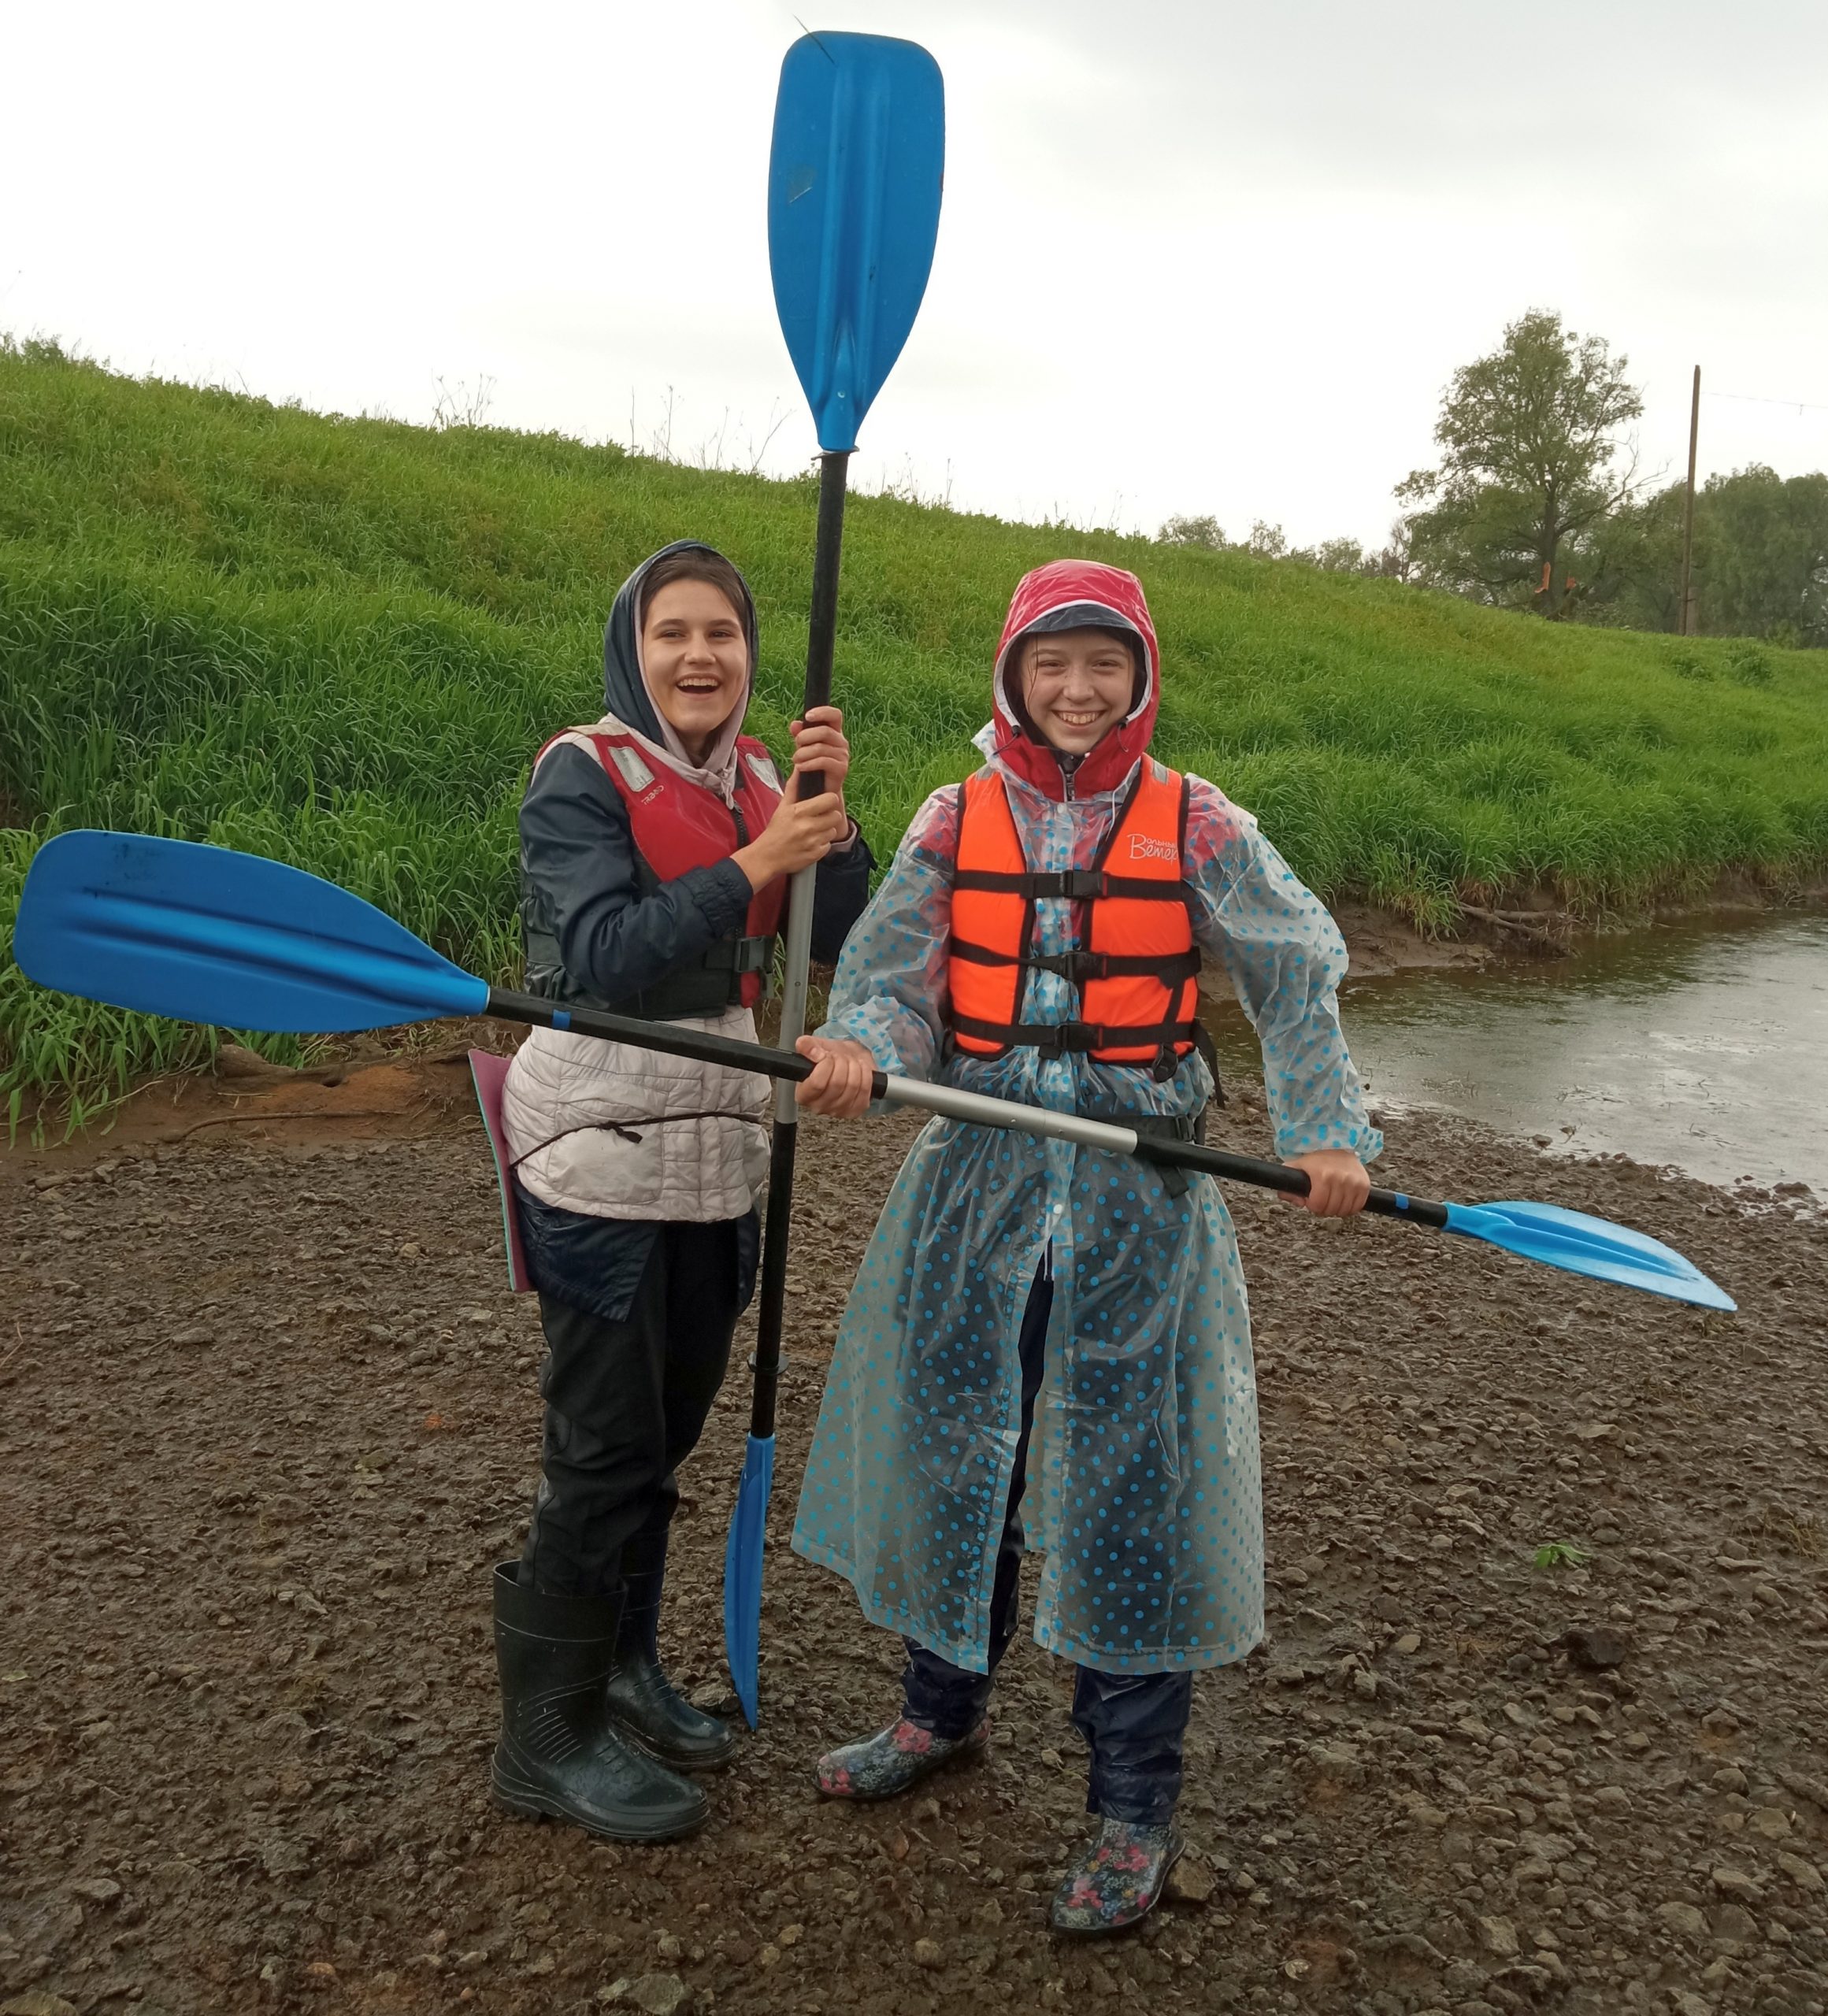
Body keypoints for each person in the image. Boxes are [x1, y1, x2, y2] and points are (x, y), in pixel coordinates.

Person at [789, 558, 1378, 1933]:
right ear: (1011, 671)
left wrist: (1327, 1133)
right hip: (976, 1195)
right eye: (1049, 661)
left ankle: (1131, 1806)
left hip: (1137, 1208)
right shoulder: (951, 816)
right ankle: (939, 1715)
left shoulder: (1199, 821)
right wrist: (856, 1053)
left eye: (1102, 663)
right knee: (955, 1455)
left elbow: (1299, 972)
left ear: (1139, 675)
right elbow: (886, 982)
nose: (1075, 687)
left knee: (1132, 1490)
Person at [492, 540, 873, 1844]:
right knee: (599, 1452)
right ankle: (542, 1738)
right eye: (672, 634)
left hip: (719, 1145)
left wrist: (831, 815)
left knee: (665, 1438)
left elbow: (832, 936)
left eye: (722, 633)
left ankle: (623, 1667)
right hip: (596, 1141)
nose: (700, 656)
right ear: (632, 651)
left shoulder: (770, 778)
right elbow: (600, 955)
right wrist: (762, 854)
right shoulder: (578, 776)